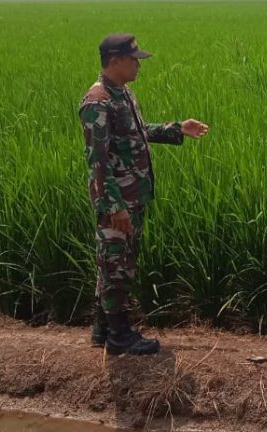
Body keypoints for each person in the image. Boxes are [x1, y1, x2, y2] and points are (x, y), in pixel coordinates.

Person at [78, 33, 209, 355]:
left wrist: (177, 128)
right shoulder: (97, 102)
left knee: (115, 260)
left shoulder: (124, 95)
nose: (138, 64)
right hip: (118, 199)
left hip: (133, 194)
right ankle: (120, 336)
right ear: (114, 61)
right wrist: (114, 206)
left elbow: (137, 133)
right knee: (116, 264)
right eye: (133, 59)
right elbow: (98, 161)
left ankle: (102, 329)